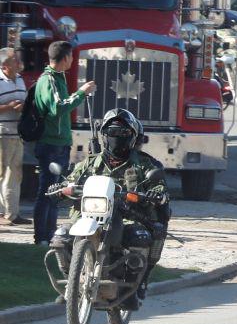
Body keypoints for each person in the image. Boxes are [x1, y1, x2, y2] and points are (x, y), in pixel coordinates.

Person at [52, 108, 169, 304]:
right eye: (112, 132)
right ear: (104, 136)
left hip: (128, 215)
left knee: (140, 237)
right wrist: (61, 187)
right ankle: (71, 284)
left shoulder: (145, 164)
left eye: (123, 133)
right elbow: (71, 181)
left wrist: (156, 193)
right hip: (87, 216)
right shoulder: (89, 164)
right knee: (60, 238)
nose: (117, 137)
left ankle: (135, 286)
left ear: (133, 137)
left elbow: (159, 185)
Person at [32, 41, 96, 244]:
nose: (73, 60)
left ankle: (48, 236)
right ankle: (41, 237)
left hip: (58, 144)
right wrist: (81, 93)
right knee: (47, 192)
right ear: (66, 58)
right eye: (71, 56)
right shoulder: (49, 80)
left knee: (55, 193)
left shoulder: (57, 78)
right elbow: (58, 108)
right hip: (51, 145)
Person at [0, 47, 28, 226]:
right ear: (4, 65)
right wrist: (9, 107)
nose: (19, 63)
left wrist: (23, 106)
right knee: (1, 175)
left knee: (15, 174)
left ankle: (12, 214)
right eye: (14, 60)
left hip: (17, 134)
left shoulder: (19, 79)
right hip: (2, 135)